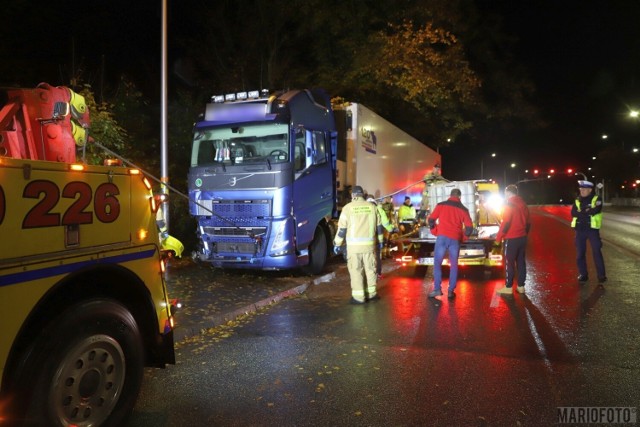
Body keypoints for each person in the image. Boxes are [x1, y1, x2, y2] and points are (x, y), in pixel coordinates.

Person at [334, 186, 385, 304]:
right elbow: (379, 227)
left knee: (356, 270)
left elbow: (342, 230)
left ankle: (359, 297)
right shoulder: (372, 207)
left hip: (354, 248)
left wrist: (337, 244)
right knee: (370, 269)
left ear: (353, 196)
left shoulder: (347, 208)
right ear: (363, 195)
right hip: (370, 247)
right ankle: (372, 294)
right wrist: (381, 242)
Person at [427, 188, 474, 299]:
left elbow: (431, 220)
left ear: (450, 195)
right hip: (455, 239)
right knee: (454, 265)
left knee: (437, 263)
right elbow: (469, 228)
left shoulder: (441, 205)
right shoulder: (464, 209)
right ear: (460, 197)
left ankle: (437, 290)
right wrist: (463, 238)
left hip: (442, 237)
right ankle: (450, 291)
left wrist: (434, 231)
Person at [496, 184, 531, 295]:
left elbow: (505, 223)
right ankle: (521, 286)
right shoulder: (523, 204)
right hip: (522, 237)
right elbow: (528, 222)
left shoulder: (509, 204)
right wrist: (524, 233)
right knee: (521, 262)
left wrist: (498, 238)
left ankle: (508, 287)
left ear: (508, 192)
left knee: (509, 262)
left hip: (511, 238)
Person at [571, 180, 606, 284]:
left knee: (596, 252)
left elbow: (596, 210)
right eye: (581, 189)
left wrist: (581, 212)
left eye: (584, 189)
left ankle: (601, 276)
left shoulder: (596, 198)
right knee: (580, 254)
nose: (582, 191)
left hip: (592, 230)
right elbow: (573, 213)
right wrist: (586, 211)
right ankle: (583, 274)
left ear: (590, 190)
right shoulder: (577, 200)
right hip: (580, 230)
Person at [367, 197, 396, 278]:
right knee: (377, 255)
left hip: (365, 237)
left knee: (367, 256)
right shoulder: (379, 209)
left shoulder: (364, 210)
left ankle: (368, 273)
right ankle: (378, 273)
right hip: (376, 236)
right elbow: (385, 222)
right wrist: (391, 229)